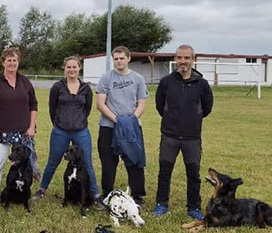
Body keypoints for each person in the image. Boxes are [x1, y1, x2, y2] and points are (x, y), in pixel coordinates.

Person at [152, 44, 214, 220]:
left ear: (193, 60)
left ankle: (194, 207)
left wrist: (192, 120)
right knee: (165, 171)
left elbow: (207, 107)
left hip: (192, 138)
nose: (183, 61)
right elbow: (159, 106)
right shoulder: (166, 82)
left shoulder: (202, 84)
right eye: (179, 58)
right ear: (175, 59)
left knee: (193, 174)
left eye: (186, 58)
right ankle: (161, 205)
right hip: (169, 136)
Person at [33, 56, 104, 207]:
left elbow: (87, 109)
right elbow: (52, 108)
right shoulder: (57, 87)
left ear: (79, 68)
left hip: (81, 131)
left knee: (88, 163)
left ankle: (95, 195)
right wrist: (59, 123)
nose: (71, 70)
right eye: (68, 67)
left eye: (74, 67)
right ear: (64, 69)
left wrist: (78, 122)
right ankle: (42, 189)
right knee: (53, 161)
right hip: (60, 131)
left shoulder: (86, 88)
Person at [0, 47, 39, 212]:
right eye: (9, 60)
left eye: (15, 60)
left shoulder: (25, 82)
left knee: (27, 165)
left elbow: (33, 105)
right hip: (1, 132)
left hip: (23, 133)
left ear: (18, 62)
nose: (12, 63)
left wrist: (31, 126)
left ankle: (23, 193)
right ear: (3, 62)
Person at [96, 46, 148, 207]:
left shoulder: (138, 78)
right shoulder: (106, 78)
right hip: (109, 127)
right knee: (108, 162)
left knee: (134, 160)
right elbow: (100, 103)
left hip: (131, 127)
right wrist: (117, 120)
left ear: (128, 58)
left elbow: (142, 102)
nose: (119, 61)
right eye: (116, 59)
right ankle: (107, 193)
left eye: (121, 58)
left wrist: (131, 120)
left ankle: (138, 195)